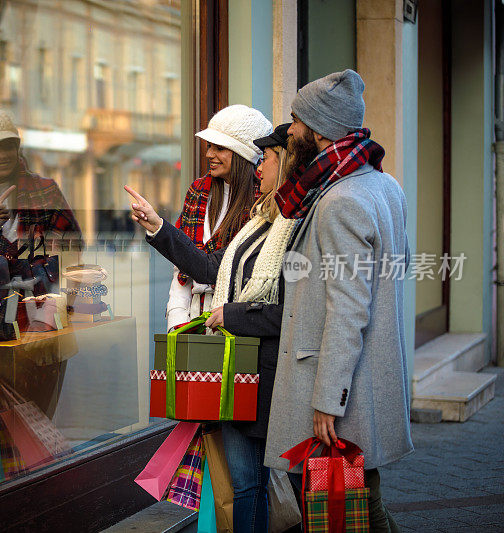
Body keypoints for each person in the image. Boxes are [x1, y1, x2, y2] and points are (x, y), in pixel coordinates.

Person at [126, 122, 297, 532]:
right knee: (241, 481)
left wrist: (230, 316)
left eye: (266, 159)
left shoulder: (292, 226)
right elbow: (201, 267)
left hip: (270, 371)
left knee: (297, 483)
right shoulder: (254, 220)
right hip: (225, 356)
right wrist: (157, 226)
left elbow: (295, 309)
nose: (259, 168)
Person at [263, 69, 413, 533]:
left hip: (341, 390)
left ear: (320, 130)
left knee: (345, 511)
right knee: (361, 503)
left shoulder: (338, 200)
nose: (290, 131)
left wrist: (330, 398)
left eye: (296, 121)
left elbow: (348, 308)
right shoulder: (383, 185)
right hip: (371, 376)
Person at [166, 105, 273, 332]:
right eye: (209, 146)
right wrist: (176, 317)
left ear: (243, 154)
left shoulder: (263, 200)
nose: (209, 154)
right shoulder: (198, 191)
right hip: (192, 316)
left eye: (220, 148)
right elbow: (183, 265)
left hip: (235, 320)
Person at [0, 108, 81, 259]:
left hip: (39, 281)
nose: (2, 156)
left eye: (8, 147)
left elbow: (71, 245)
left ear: (17, 149)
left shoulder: (46, 190)